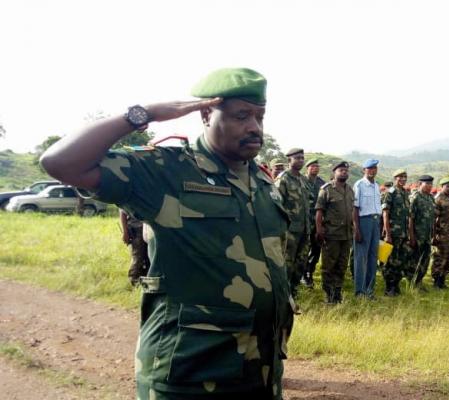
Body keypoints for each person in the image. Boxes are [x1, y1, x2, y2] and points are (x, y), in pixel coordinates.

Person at [39, 68, 294, 399]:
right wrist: (143, 114)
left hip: (259, 374)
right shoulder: (167, 170)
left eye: (260, 116)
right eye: (241, 115)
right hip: (190, 375)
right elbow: (61, 163)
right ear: (205, 114)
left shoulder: (262, 183)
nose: (254, 127)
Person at [315, 161, 354, 304]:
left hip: (346, 235)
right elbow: (319, 211)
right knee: (329, 265)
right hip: (331, 234)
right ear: (334, 173)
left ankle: (337, 293)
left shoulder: (349, 190)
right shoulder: (326, 189)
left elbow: (352, 211)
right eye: (341, 170)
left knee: (342, 265)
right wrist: (319, 229)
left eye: (346, 170)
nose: (344, 172)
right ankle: (329, 294)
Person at [276, 148, 312, 297]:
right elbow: (276, 205)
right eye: (297, 158)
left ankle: (294, 289)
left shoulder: (303, 179)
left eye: (302, 158)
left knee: (301, 262)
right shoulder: (283, 179)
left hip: (304, 229)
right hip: (289, 230)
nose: (300, 160)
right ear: (289, 160)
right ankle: (283, 293)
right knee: (287, 263)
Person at [352, 159, 381, 299]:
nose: (372, 170)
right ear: (364, 170)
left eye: (374, 168)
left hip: (376, 222)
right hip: (364, 221)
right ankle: (359, 291)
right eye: (369, 168)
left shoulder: (376, 185)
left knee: (373, 257)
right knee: (360, 257)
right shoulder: (359, 185)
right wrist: (356, 229)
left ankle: (369, 290)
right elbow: (355, 209)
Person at [381, 169, 412, 296]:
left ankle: (396, 285)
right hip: (393, 233)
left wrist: (409, 234)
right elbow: (385, 214)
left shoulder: (405, 193)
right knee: (390, 261)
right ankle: (389, 287)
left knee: (400, 260)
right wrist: (387, 234)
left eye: (405, 177)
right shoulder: (391, 193)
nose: (403, 179)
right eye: (400, 177)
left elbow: (408, 215)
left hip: (403, 234)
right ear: (395, 179)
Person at [409, 175, 436, 290]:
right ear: (420, 184)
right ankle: (412, 282)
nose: (430, 186)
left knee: (425, 260)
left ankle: (419, 281)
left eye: (431, 184)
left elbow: (432, 217)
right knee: (415, 259)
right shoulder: (415, 197)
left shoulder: (430, 198)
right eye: (427, 184)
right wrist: (412, 236)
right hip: (417, 235)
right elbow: (410, 218)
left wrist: (433, 233)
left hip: (427, 235)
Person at [431, 178, 449, 289]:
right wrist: (434, 235)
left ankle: (442, 280)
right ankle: (436, 281)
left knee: (447, 258)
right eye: (448, 186)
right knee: (439, 257)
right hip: (441, 234)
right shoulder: (438, 199)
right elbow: (434, 219)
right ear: (442, 186)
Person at [304, 158, 326, 288]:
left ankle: (310, 272)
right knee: (303, 250)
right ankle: (303, 274)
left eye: (317, 166)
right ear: (307, 168)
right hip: (304, 222)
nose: (315, 168)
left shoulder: (321, 183)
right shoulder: (301, 181)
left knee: (316, 249)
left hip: (317, 222)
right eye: (312, 166)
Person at [120, 208, 150, 285]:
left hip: (148, 228)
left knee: (149, 257)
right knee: (138, 257)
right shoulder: (128, 196)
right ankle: (134, 281)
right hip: (136, 228)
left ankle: (146, 280)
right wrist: (125, 232)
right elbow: (122, 213)